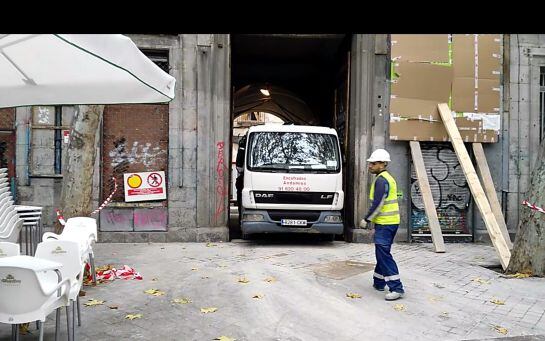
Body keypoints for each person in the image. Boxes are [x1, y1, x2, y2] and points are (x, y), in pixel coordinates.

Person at [358, 148, 405, 301]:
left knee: (383, 254)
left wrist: (367, 219)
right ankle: (378, 282)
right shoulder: (386, 178)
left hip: (386, 224)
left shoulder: (381, 180)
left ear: (383, 164)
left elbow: (378, 204)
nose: (370, 166)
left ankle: (396, 288)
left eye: (373, 163)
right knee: (382, 252)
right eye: (370, 163)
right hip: (389, 223)